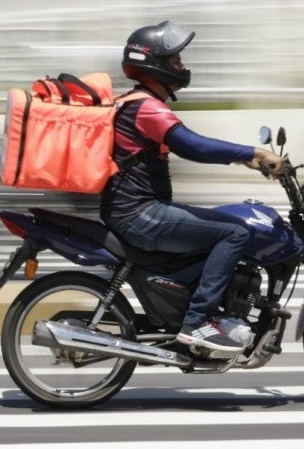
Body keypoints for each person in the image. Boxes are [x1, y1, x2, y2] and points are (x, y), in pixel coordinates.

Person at [100, 20, 285, 353]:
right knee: (235, 233)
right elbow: (193, 146)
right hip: (140, 214)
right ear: (154, 63)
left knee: (218, 228)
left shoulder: (136, 102)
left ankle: (198, 308)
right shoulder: (146, 108)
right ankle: (197, 323)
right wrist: (253, 152)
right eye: (175, 60)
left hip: (135, 210)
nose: (182, 67)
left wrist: (245, 160)